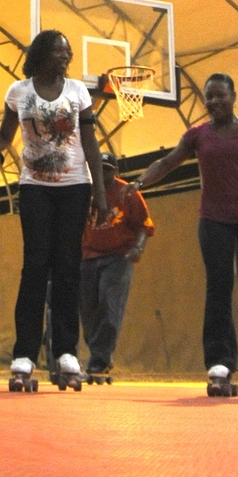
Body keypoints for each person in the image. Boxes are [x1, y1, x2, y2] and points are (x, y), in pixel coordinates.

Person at [127, 72, 238, 397]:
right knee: (218, 288)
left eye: (220, 95)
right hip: (214, 221)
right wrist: (140, 182)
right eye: (209, 96)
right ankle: (220, 363)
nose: (214, 101)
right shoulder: (197, 135)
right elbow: (167, 162)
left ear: (233, 96)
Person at [0, 30, 107, 390]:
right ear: (41, 54)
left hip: (75, 186)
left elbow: (90, 142)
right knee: (35, 266)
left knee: (67, 267)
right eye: (58, 51)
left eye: (68, 52)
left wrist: (101, 193)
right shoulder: (19, 92)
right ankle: (25, 353)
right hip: (35, 188)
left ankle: (65, 350)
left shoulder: (78, 91)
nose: (65, 56)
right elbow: (4, 137)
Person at [80, 152, 154, 376]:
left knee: (109, 304)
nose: (102, 173)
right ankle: (99, 353)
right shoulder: (85, 192)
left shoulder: (126, 193)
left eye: (107, 169)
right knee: (88, 310)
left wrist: (138, 248)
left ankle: (99, 359)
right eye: (98, 168)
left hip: (118, 257)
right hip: (88, 257)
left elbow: (144, 224)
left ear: (116, 171)